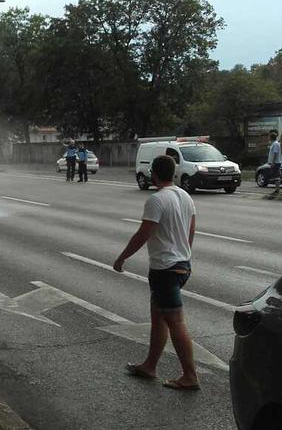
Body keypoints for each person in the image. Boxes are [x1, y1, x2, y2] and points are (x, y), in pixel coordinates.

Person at [113, 155, 199, 391]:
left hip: (165, 270)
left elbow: (143, 234)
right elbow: (190, 230)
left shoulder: (157, 200)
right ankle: (150, 365)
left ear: (154, 174)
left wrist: (122, 258)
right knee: (158, 317)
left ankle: (190, 375)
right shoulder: (185, 196)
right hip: (181, 265)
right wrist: (185, 253)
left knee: (175, 321)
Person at [265, 129, 282, 199]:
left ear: (271, 137)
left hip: (275, 163)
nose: (268, 138)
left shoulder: (275, 144)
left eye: (269, 137)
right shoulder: (274, 144)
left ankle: (277, 190)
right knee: (276, 176)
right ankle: (276, 189)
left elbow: (275, 153)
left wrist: (272, 162)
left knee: (277, 176)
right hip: (275, 163)